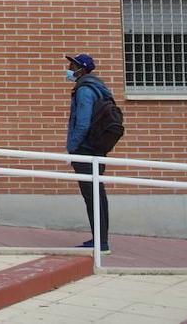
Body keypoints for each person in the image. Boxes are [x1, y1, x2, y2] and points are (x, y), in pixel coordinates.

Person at [65, 53, 113, 254]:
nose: (68, 69)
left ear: (81, 69)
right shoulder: (98, 87)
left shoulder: (85, 90)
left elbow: (82, 123)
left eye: (72, 65)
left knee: (92, 196)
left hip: (86, 149)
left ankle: (100, 243)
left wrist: (72, 148)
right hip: (97, 148)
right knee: (97, 194)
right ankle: (100, 239)